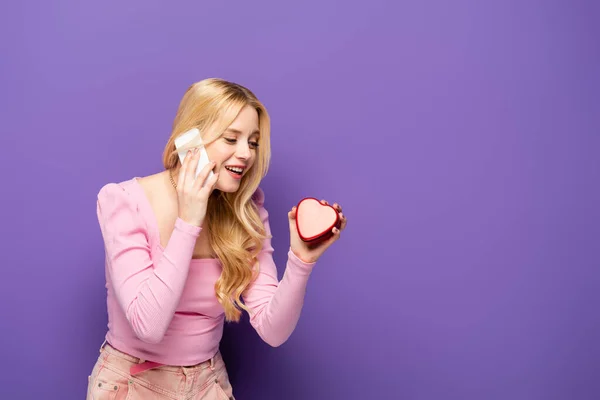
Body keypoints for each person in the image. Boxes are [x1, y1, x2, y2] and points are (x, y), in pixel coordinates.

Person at [86, 78, 347, 399]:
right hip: (132, 384)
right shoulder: (123, 201)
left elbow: (273, 330)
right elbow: (148, 327)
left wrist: (301, 262)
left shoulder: (245, 211)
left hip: (208, 384)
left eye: (252, 142)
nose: (246, 154)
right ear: (190, 139)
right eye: (231, 138)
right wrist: (189, 220)